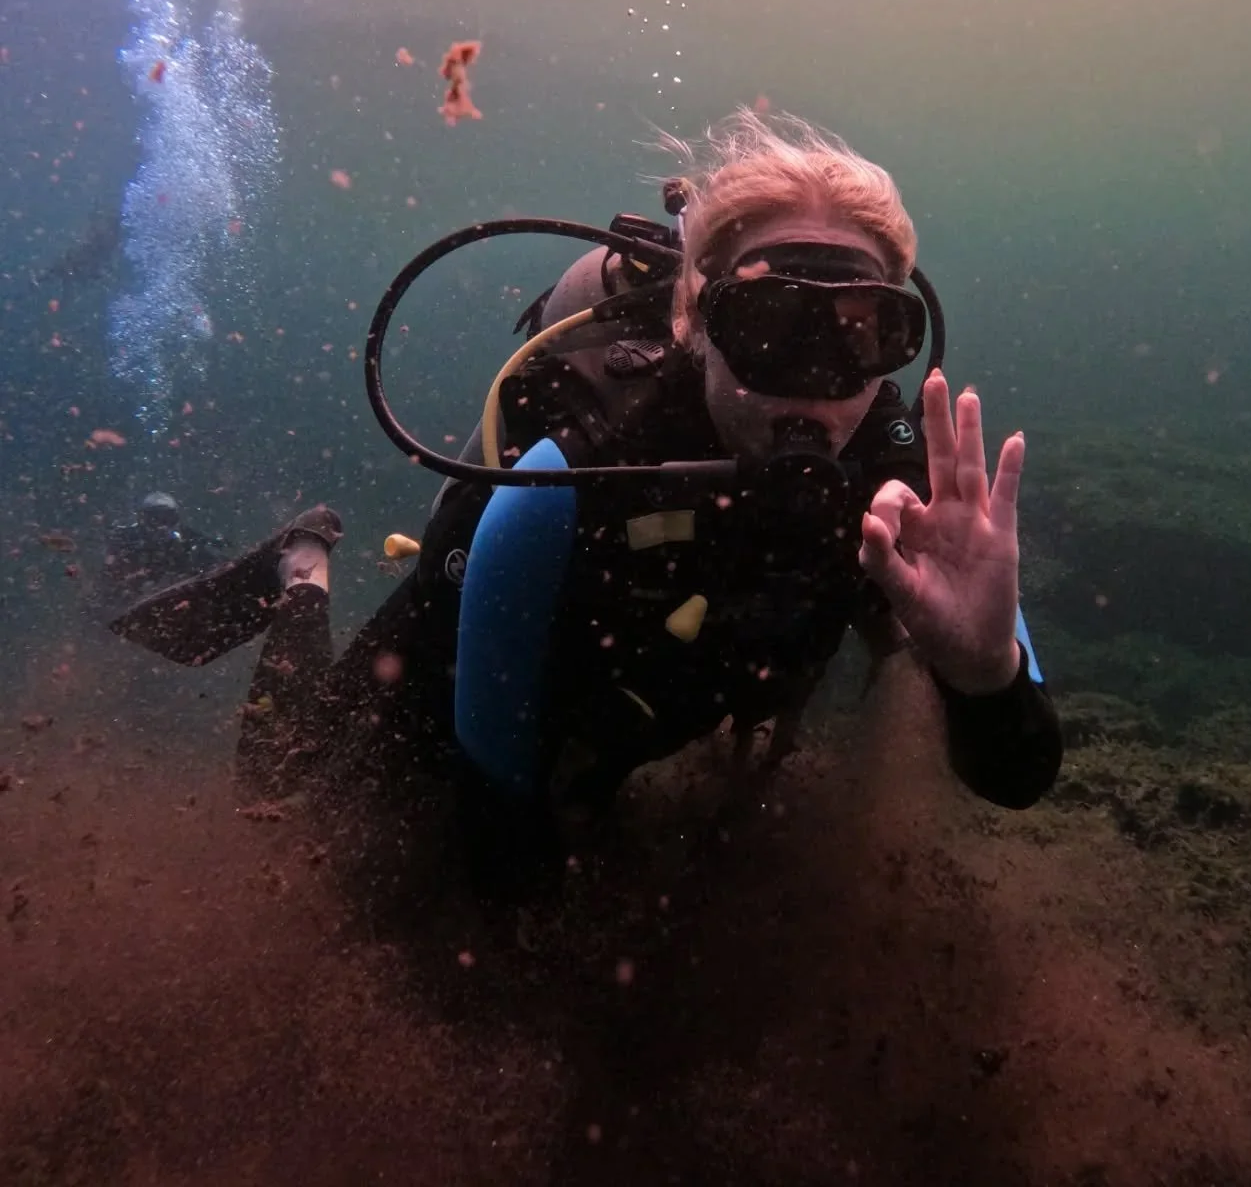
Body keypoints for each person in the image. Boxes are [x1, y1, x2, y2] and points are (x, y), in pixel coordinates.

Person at [109, 110, 1063, 898]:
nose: (815, 382)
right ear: (697, 324)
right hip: (479, 691)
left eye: (861, 332)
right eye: (770, 325)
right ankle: (301, 570)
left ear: (901, 342)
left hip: (640, 713)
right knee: (283, 795)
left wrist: (985, 672)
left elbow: (1019, 780)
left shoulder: (915, 502)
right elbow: (496, 825)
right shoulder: (571, 478)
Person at [100, 491, 227, 605]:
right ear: (143, 519)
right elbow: (108, 578)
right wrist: (132, 579)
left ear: (176, 519)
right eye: (155, 518)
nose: (162, 526)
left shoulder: (187, 540)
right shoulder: (126, 540)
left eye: (167, 519)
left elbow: (217, 564)